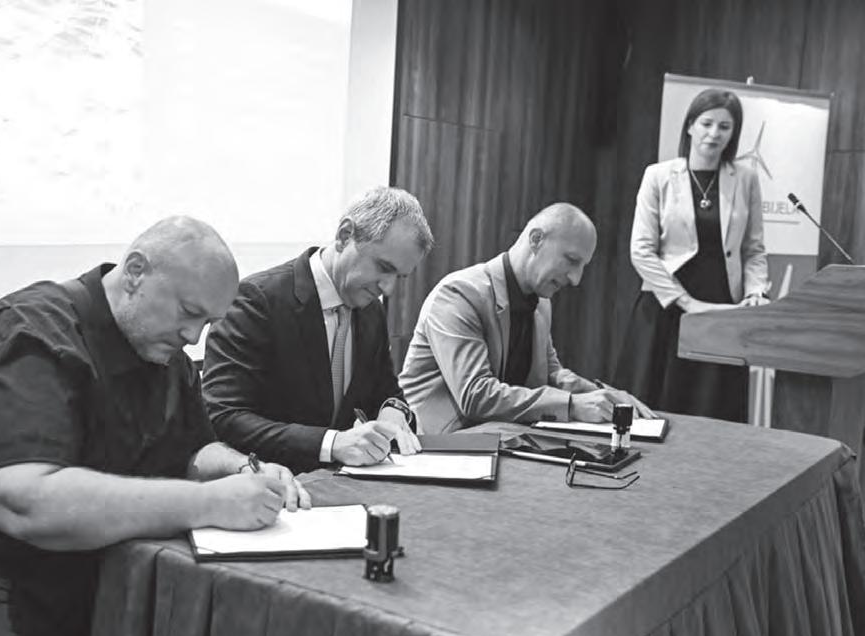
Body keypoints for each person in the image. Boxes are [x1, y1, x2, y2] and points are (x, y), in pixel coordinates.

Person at [0, 216, 310, 636]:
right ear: (135, 272)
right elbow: (24, 500)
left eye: (207, 323)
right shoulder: (34, 332)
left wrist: (240, 468)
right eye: (188, 313)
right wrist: (210, 502)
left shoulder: (162, 354)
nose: (194, 337)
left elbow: (192, 451)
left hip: (72, 574)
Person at [202, 186, 434, 473]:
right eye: (383, 267)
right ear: (345, 235)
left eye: (399, 276)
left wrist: (393, 411)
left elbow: (386, 391)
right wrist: (331, 443)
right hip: (268, 482)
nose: (388, 288)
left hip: (341, 484)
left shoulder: (370, 310)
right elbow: (224, 416)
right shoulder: (256, 300)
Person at [399, 203, 654, 434]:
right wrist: (572, 405)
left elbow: (553, 374)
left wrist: (603, 395)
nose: (576, 279)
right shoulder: (459, 294)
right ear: (536, 239)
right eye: (572, 260)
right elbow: (475, 396)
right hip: (438, 449)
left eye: (582, 267)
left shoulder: (542, 303)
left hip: (499, 441)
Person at [615, 88, 769, 423]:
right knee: (654, 408)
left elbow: (753, 249)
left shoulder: (746, 179)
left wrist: (756, 292)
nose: (714, 133)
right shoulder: (658, 175)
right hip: (666, 305)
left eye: (724, 127)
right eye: (706, 123)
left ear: (734, 133)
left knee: (715, 410)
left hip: (721, 308)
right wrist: (685, 301)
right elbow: (641, 250)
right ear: (690, 126)